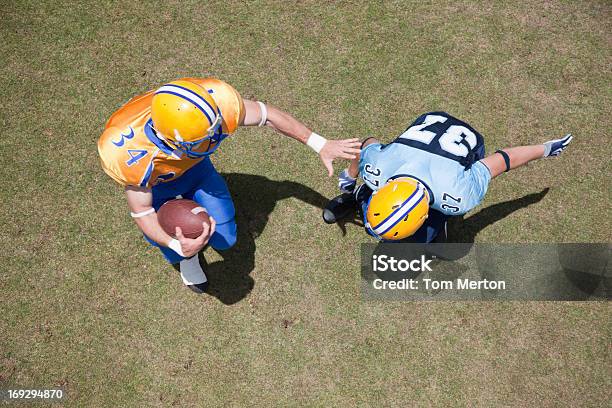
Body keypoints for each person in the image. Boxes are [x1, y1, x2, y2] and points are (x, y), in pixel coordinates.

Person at [98, 77, 360, 293]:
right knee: (175, 237)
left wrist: (320, 143)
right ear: (173, 141)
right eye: (205, 136)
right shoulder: (129, 154)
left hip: (197, 172)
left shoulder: (215, 103)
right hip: (157, 188)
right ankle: (187, 261)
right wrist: (178, 245)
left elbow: (268, 115)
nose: (217, 134)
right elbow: (142, 213)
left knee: (225, 238)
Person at [323, 111, 572, 242]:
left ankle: (436, 225)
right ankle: (356, 196)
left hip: (468, 146)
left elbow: (500, 161)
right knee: (372, 207)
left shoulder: (456, 195)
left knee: (425, 238)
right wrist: (351, 174)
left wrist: (546, 149)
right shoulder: (377, 168)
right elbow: (368, 144)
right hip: (426, 131)